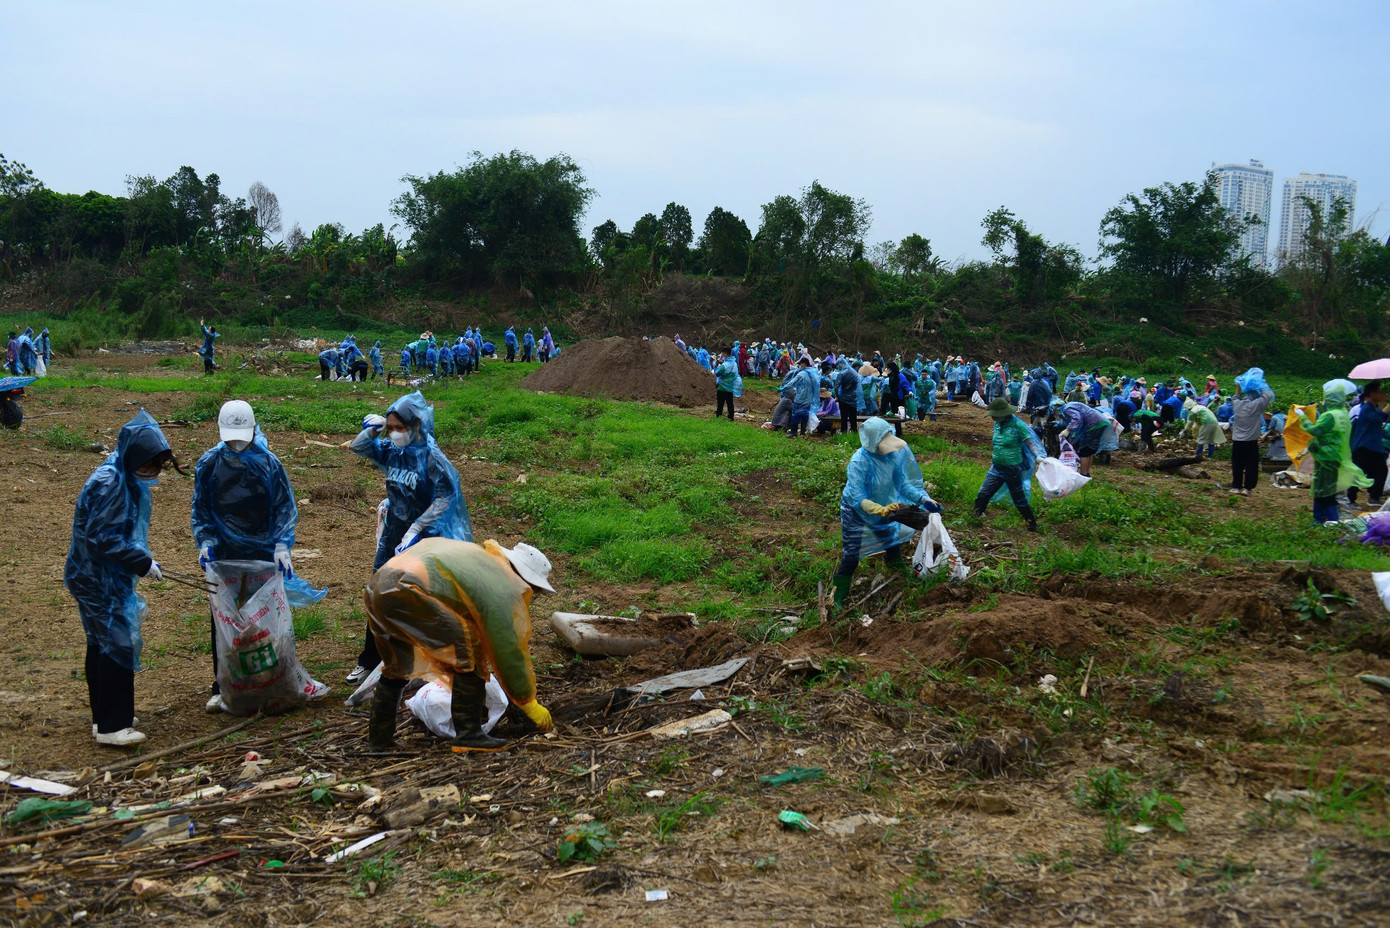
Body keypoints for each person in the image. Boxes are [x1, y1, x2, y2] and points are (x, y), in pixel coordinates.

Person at [364, 538, 555, 752]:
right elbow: (507, 647)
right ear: (522, 575)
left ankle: (379, 742)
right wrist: (526, 700)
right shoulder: (500, 582)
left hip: (380, 586)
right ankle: (469, 735)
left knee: (398, 667)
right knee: (467, 654)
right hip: (411, 588)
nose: (530, 593)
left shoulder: (481, 561)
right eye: (534, 588)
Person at [192, 401, 323, 711]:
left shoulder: (268, 464)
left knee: (267, 618)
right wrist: (206, 541)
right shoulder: (209, 464)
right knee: (225, 621)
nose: (236, 444)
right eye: (230, 437)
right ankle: (224, 684)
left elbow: (283, 508)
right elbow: (202, 508)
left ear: (253, 430)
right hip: (225, 555)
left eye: (242, 436)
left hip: (264, 554)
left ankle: (277, 678)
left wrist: (281, 546)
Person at [65, 411, 183, 747]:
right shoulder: (109, 483)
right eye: (147, 465)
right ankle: (113, 726)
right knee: (116, 643)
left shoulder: (122, 476)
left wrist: (137, 561)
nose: (151, 473)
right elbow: (102, 537)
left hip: (101, 575)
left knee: (101, 643)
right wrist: (141, 561)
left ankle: (105, 715)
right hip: (97, 578)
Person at [346, 392, 474, 684]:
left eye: (398, 428)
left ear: (416, 425)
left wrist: (417, 527)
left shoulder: (432, 457)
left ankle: (423, 662)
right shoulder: (395, 451)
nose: (394, 434)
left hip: (425, 539)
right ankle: (371, 659)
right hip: (394, 534)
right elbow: (359, 447)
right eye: (390, 428)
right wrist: (373, 430)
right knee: (379, 593)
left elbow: (446, 497)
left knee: (419, 599)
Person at [830, 417, 941, 610]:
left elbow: (904, 485)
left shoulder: (894, 456)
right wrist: (880, 510)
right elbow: (857, 498)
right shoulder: (859, 462)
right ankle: (838, 593)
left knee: (891, 538)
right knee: (852, 553)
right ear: (873, 443)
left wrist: (924, 499)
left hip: (884, 506)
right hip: (856, 511)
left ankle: (894, 562)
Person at [1297, 382, 1371, 523]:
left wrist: (1302, 416)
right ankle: (1320, 519)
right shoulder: (1343, 413)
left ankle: (1329, 520)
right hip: (1336, 456)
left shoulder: (1330, 415)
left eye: (1326, 398)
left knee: (1325, 492)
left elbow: (1315, 430)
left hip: (1325, 457)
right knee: (1325, 490)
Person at [973, 398, 1043, 532]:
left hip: (1012, 469)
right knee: (983, 493)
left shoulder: (1018, 425)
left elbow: (1030, 443)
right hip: (997, 466)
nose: (992, 417)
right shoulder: (998, 424)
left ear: (1003, 413)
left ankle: (1032, 523)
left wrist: (1038, 456)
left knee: (1018, 498)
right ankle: (976, 516)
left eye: (994, 415)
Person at [1229, 369, 1274, 497]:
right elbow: (1268, 396)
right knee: (1251, 465)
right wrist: (1260, 385)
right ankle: (1247, 488)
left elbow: (1235, 397)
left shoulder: (1237, 405)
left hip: (1237, 441)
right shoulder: (1257, 405)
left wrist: (1238, 387)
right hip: (1250, 442)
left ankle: (1236, 486)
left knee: (1237, 464)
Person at [1349, 380, 1389, 507]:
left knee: (1380, 471)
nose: (1381, 394)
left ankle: (1374, 497)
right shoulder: (1366, 408)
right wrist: (1383, 403)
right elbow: (1379, 418)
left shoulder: (1373, 408)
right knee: (1358, 472)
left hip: (1374, 446)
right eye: (1379, 392)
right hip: (1364, 446)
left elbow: (1383, 417)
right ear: (1372, 394)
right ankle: (1351, 499)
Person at [1059, 401, 1107, 476]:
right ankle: (1087, 473)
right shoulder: (1070, 405)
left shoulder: (1066, 409)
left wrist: (1068, 429)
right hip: (1100, 421)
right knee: (1090, 450)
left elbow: (1077, 418)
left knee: (1084, 450)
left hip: (1092, 424)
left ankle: (1083, 474)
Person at [785, 356, 819, 437]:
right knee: (805, 415)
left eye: (800, 364)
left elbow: (792, 383)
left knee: (796, 414)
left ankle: (793, 432)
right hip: (809, 399)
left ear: (803, 364)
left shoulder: (801, 374)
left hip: (800, 398)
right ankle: (802, 432)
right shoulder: (813, 373)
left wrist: (783, 388)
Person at [835, 359, 862, 434]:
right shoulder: (854, 372)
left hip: (843, 398)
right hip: (853, 398)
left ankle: (844, 432)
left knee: (844, 417)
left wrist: (837, 397)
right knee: (853, 418)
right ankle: (854, 432)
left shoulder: (841, 373)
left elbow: (836, 387)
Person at [714, 352, 741, 421]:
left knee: (720, 403)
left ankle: (718, 415)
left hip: (722, 387)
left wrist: (716, 365)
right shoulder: (734, 364)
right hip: (730, 387)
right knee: (730, 403)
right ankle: (731, 417)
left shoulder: (723, 366)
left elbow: (717, 373)